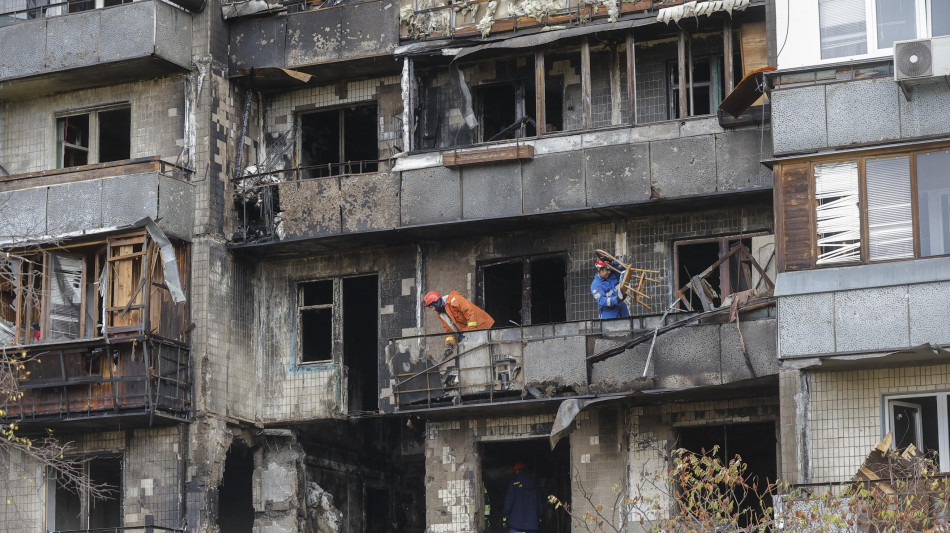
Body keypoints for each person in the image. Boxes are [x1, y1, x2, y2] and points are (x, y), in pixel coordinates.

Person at [422, 290, 494, 356]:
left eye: (432, 307)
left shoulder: (455, 300)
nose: (432, 310)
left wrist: (470, 333)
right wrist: (449, 345)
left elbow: (470, 313)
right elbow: (448, 330)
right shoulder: (441, 314)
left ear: (436, 303)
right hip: (469, 335)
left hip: (483, 327)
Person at [503, 461, 543, 533]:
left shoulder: (513, 483)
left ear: (516, 471)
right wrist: (540, 515)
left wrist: (505, 515)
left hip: (515, 523)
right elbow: (539, 503)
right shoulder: (534, 483)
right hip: (532, 523)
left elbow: (509, 502)